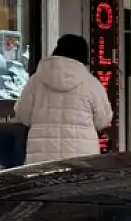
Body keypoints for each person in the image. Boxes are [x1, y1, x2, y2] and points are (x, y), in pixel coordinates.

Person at [16, 34, 113, 164]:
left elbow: (22, 115)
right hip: (81, 159)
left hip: (42, 159)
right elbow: (103, 121)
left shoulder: (36, 81)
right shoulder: (91, 83)